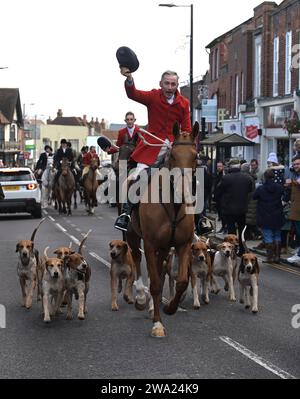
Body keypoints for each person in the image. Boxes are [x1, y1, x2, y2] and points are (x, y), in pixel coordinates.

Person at [114, 68, 191, 232]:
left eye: (173, 84)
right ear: (161, 84)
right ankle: (126, 214)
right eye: (167, 83)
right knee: (138, 177)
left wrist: (183, 143)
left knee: (195, 179)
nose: (170, 87)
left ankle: (199, 219)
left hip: (174, 147)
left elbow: (187, 129)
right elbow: (133, 93)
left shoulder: (184, 103)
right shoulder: (153, 96)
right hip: (152, 146)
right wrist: (129, 78)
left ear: (177, 85)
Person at [214, 159, 253, 255]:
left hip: (229, 210)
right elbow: (251, 191)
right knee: (241, 231)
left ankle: (233, 251)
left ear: (230, 167)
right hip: (242, 209)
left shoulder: (226, 178)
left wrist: (218, 200)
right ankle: (242, 249)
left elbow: (217, 192)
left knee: (231, 231)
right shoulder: (247, 178)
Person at [253, 169, 284, 263]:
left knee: (268, 236)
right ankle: (277, 257)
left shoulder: (260, 188)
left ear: (265, 177)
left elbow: (254, 197)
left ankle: (270, 257)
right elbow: (284, 195)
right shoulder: (279, 187)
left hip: (264, 215)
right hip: (277, 214)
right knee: (277, 235)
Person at [286, 156, 300, 264]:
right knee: (297, 232)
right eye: (294, 164)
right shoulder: (296, 175)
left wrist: (293, 183)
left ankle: (299, 255)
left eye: (298, 164)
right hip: (295, 208)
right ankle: (298, 251)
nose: (296, 166)